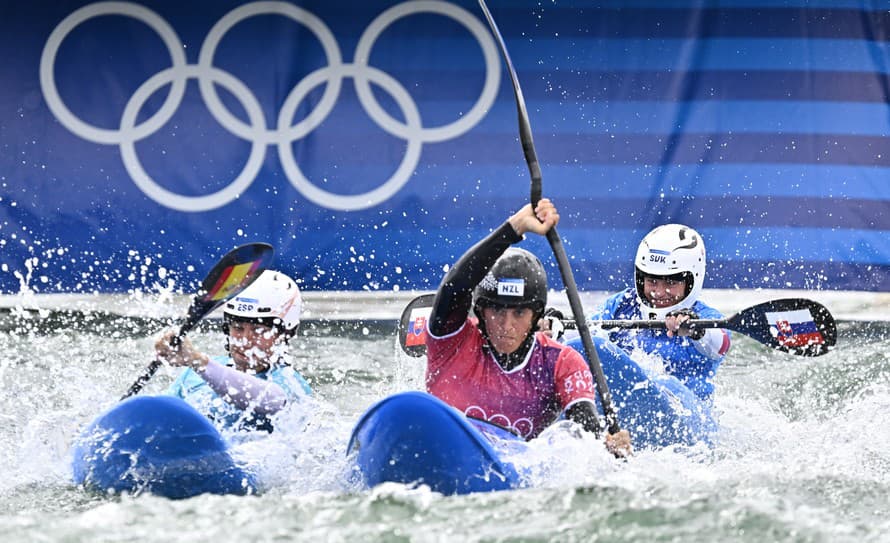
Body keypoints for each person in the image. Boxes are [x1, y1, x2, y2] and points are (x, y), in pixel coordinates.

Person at [425, 198, 632, 457]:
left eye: (519, 312)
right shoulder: (452, 340)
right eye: (497, 310)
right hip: (436, 449)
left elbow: (584, 429)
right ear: (480, 310)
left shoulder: (561, 362)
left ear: (536, 316)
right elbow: (453, 288)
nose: (506, 325)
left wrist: (605, 449)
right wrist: (514, 227)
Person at [154, 269, 312, 432]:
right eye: (237, 328)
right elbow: (160, 417)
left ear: (284, 335)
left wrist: (199, 362)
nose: (245, 340)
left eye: (258, 330)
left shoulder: (292, 384)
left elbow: (269, 398)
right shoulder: (193, 375)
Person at [587, 224, 731, 400]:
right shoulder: (622, 304)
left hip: (686, 413)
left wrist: (695, 329)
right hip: (625, 401)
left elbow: (720, 345)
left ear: (692, 281)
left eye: (671, 282)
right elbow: (584, 335)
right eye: (652, 281)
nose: (659, 292)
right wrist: (554, 328)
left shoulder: (707, 318)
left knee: (663, 385)